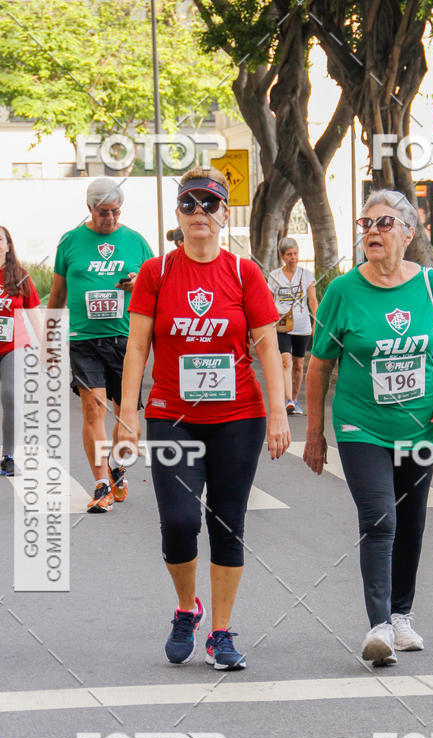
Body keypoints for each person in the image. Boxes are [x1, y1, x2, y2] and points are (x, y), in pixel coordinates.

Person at [118, 166, 290, 670]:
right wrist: (127, 416)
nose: (199, 213)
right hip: (173, 415)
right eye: (189, 204)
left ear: (223, 214)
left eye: (209, 205)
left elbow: (267, 344)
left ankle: (220, 632)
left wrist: (279, 413)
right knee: (178, 521)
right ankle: (185, 608)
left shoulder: (244, 273)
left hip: (239, 415)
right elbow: (136, 348)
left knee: (227, 521)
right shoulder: (157, 273)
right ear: (177, 214)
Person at [303, 189, 433, 666]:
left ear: (409, 234)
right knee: (380, 519)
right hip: (361, 426)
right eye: (365, 224)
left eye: (384, 224)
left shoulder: (432, 287)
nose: (372, 231)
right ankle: (378, 628)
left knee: (411, 521)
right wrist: (315, 433)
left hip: (420, 426)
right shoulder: (342, 292)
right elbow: (318, 367)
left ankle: (401, 615)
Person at [47, 178, 154, 512]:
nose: (110, 218)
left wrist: (138, 283)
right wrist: (50, 339)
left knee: (126, 418)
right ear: (90, 209)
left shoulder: (136, 242)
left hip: (127, 340)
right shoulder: (71, 242)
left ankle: (117, 464)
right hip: (84, 340)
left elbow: (157, 289)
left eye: (116, 211)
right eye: (103, 212)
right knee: (93, 409)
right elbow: (58, 295)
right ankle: (101, 483)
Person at [0, 226, 42, 476]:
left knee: (11, 394)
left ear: (8, 245)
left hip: (13, 345)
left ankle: (8, 454)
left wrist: (46, 347)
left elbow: (34, 315)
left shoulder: (19, 276)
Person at [268, 237, 317, 415]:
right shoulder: (275, 276)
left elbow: (313, 301)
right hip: (282, 324)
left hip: (302, 325)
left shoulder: (306, 275)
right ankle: (288, 400)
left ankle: (294, 400)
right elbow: (268, 299)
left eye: (295, 253)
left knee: (298, 364)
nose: (293, 257)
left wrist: (315, 322)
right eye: (289, 254)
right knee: (285, 360)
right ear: (282, 256)